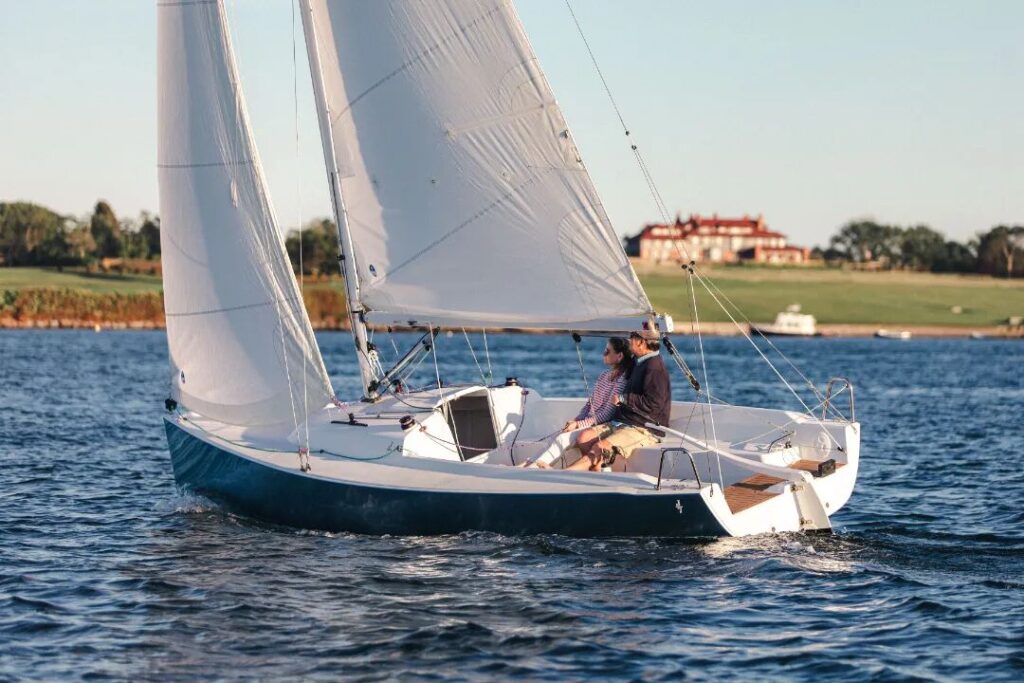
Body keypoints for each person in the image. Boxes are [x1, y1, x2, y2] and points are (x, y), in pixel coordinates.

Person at [527, 338, 633, 469]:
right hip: (588, 422)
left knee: (562, 439)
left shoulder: (622, 380)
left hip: (601, 425)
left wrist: (578, 425)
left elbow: (607, 414)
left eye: (607, 351)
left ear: (620, 356)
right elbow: (589, 404)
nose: (603, 353)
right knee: (556, 436)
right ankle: (528, 464)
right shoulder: (604, 375)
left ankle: (534, 468)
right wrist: (576, 420)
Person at [582, 327, 671, 472]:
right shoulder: (639, 361)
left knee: (600, 446)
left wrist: (624, 398)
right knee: (584, 437)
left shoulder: (655, 368)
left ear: (641, 342)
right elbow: (623, 363)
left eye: (631, 338)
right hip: (624, 422)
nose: (628, 341)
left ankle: (570, 474)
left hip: (644, 428)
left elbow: (655, 403)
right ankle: (597, 471)